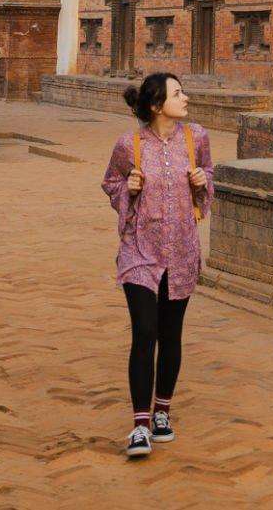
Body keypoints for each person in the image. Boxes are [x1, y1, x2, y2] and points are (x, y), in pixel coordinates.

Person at [100, 72, 213, 458]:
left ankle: (162, 410)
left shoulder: (196, 138)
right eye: (177, 93)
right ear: (155, 105)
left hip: (180, 251)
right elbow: (110, 182)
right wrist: (126, 188)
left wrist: (202, 179)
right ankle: (140, 426)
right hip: (140, 252)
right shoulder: (128, 144)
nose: (185, 98)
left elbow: (208, 179)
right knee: (144, 332)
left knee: (170, 333)